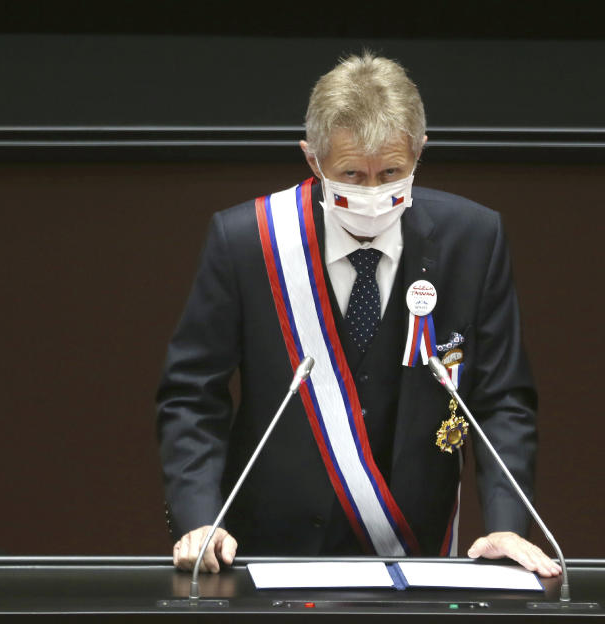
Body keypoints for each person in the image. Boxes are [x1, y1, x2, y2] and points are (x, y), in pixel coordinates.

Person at [156, 52, 560, 578]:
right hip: (270, 555)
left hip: (416, 550)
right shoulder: (248, 242)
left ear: (421, 152)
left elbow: (503, 399)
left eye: (392, 172)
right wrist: (199, 518)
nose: (372, 192)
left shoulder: (474, 239)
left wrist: (507, 522)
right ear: (312, 160)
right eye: (351, 174)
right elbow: (191, 394)